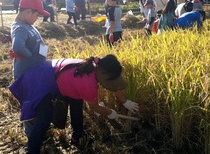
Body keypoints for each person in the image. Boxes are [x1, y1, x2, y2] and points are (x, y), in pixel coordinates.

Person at [9, 54, 140, 153]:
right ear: (104, 74)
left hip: (53, 77)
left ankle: (77, 136)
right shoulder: (88, 82)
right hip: (39, 82)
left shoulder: (94, 66)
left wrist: (125, 101)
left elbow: (113, 85)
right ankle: (32, 150)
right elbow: (94, 107)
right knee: (44, 119)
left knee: (77, 101)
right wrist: (111, 113)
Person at [10, 0, 50, 80]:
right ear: (28, 12)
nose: (37, 18)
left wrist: (44, 55)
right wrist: (30, 56)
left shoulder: (27, 25)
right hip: (26, 74)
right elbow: (18, 47)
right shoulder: (20, 28)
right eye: (37, 15)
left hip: (35, 70)